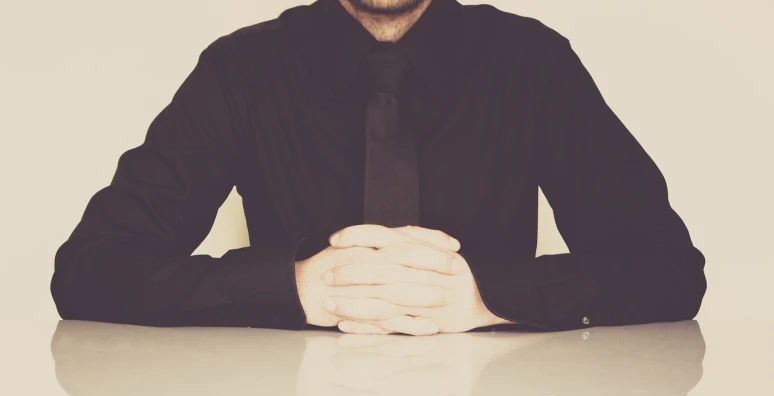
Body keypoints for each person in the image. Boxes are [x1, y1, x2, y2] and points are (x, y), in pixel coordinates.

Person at [50, 0, 707, 335]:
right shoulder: (241, 73)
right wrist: (293, 287)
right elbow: (90, 269)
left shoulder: (534, 65)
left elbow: (669, 270)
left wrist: (490, 296)